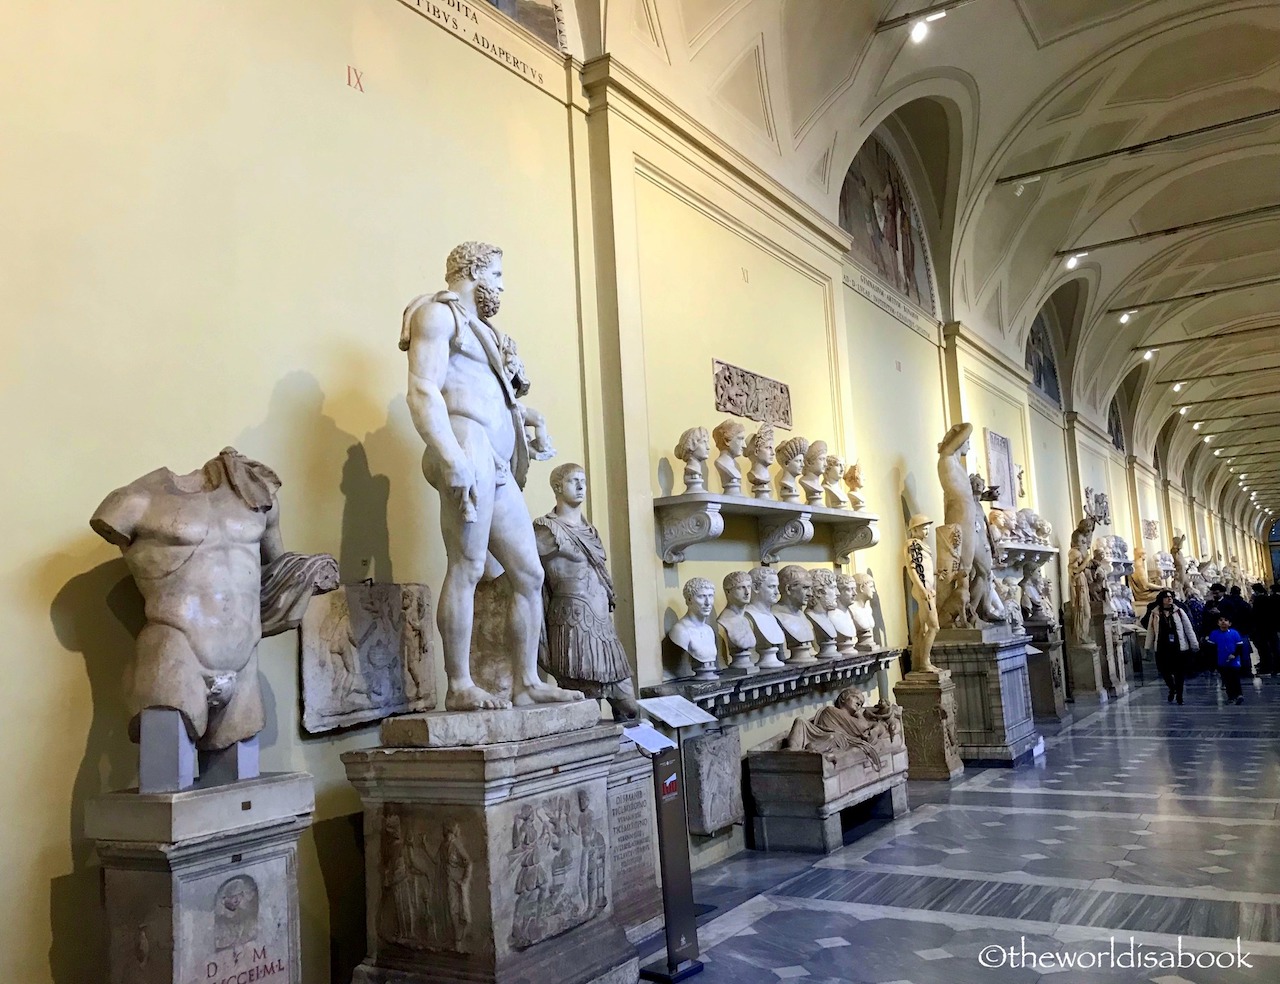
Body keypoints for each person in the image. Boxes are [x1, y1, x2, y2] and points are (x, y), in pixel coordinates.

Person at [1144, 590, 1198, 705]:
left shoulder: (1179, 611)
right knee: (1164, 670)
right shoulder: (1155, 613)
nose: (1169, 599)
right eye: (1166, 597)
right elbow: (1151, 631)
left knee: (1179, 672)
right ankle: (1172, 687)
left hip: (1178, 646)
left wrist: (1194, 644)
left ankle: (1179, 695)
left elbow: (1188, 628)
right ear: (1161, 600)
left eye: (1170, 597)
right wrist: (1147, 646)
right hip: (1163, 646)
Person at [1206, 614, 1246, 705]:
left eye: (1226, 620)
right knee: (1226, 679)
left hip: (1234, 660)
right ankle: (1230, 696)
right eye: (1221, 620)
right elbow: (1211, 648)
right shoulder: (1214, 634)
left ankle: (1239, 694)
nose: (1223, 622)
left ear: (1230, 623)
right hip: (1221, 661)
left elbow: (1239, 646)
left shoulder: (1234, 633)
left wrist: (1234, 655)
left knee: (1235, 677)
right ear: (1218, 623)